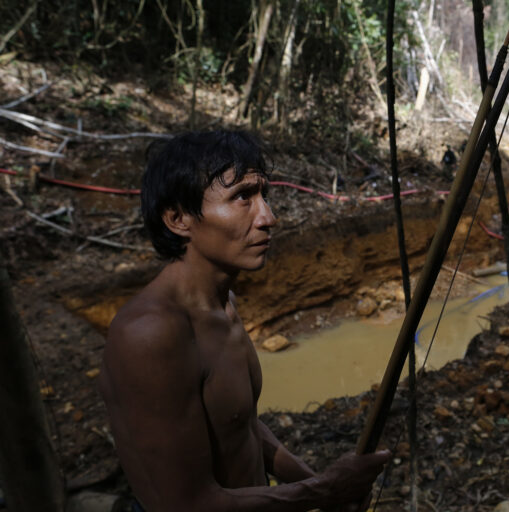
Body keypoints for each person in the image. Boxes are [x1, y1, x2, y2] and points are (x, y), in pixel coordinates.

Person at [99, 131, 390, 511]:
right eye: (242, 197)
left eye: (263, 195)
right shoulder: (151, 335)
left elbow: (239, 426)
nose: (268, 217)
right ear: (178, 218)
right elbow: (186, 505)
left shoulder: (223, 305)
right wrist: (323, 492)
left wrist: (316, 483)